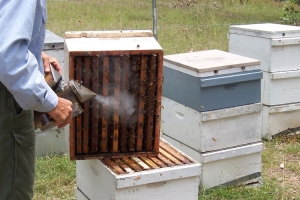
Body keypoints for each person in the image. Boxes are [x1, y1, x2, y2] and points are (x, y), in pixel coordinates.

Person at [0, 0, 73, 199]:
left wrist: (32, 52)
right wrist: (51, 102)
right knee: (13, 189)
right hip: (6, 97)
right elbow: (8, 58)